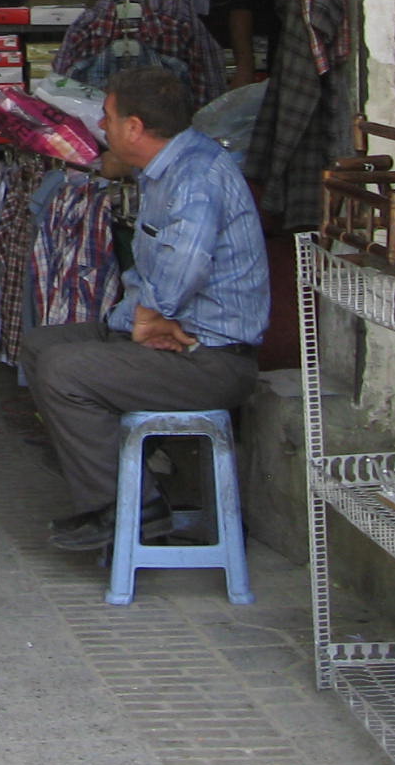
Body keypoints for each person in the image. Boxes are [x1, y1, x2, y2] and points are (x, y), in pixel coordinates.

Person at [21, 64, 270, 552]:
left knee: (64, 371)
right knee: (40, 345)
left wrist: (150, 317)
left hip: (211, 358)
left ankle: (131, 510)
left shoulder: (195, 177)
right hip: (175, 341)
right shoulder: (166, 167)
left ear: (135, 127)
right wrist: (143, 323)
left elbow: (186, 263)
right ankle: (125, 479)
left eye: (109, 117)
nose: (102, 126)